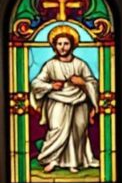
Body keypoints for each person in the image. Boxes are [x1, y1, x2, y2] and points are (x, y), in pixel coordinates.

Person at [30, 25, 100, 174]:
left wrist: (81, 82)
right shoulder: (50, 65)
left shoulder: (80, 64)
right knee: (57, 130)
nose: (62, 47)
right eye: (59, 44)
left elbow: (92, 83)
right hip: (57, 102)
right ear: (54, 46)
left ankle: (74, 162)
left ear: (72, 45)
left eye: (66, 43)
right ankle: (52, 159)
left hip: (79, 102)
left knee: (78, 132)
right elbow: (36, 83)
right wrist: (50, 86)